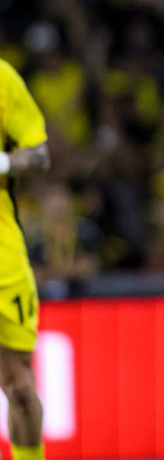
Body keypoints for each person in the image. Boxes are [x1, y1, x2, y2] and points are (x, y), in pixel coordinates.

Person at [0, 59, 53, 460]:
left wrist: (3, 162)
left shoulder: (3, 80)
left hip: (3, 258)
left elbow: (39, 154)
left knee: (18, 387)